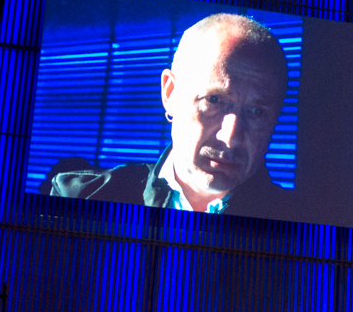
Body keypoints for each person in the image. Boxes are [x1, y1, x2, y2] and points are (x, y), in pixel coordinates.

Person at [45, 13, 293, 216]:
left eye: (256, 112)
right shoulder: (82, 197)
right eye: (214, 100)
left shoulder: (302, 223)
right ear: (170, 93)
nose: (231, 138)